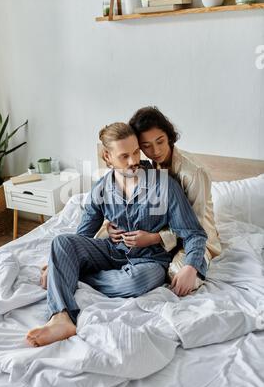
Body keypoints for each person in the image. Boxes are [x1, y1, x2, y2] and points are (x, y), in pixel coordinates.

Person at [27, 123, 207, 347]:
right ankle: (62, 317)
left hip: (150, 260)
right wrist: (60, 256)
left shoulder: (164, 186)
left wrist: (191, 266)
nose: (133, 161)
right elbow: (83, 234)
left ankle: (68, 273)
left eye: (135, 152)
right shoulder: (101, 188)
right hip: (113, 251)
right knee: (61, 242)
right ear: (107, 156)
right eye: (124, 156)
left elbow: (194, 233)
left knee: (135, 281)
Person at [103, 106, 221, 282]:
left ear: (169, 136)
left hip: (194, 237)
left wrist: (155, 238)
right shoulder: (144, 167)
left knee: (176, 274)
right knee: (103, 244)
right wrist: (109, 225)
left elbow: (195, 226)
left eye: (160, 141)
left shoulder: (194, 173)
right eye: (146, 146)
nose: (156, 151)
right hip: (155, 239)